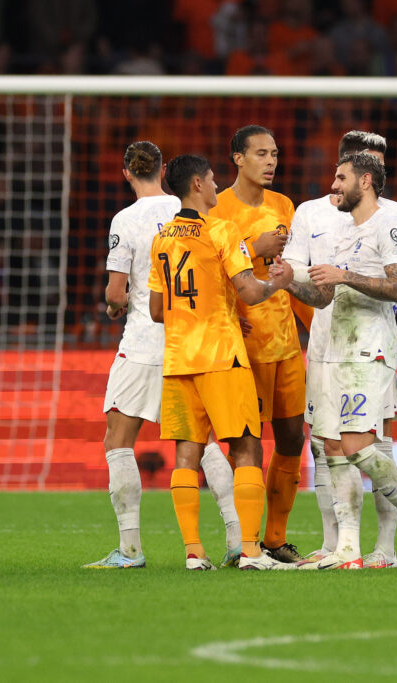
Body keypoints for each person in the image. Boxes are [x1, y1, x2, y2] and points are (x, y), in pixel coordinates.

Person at [84, 141, 241, 570]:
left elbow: (116, 293)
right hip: (192, 343)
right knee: (201, 443)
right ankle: (237, 538)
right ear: (165, 168)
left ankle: (130, 550)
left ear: (126, 173)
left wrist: (115, 305)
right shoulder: (189, 209)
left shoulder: (125, 220)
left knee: (118, 442)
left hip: (143, 343)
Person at [280, 151, 397, 570]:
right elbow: (324, 297)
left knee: (357, 445)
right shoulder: (345, 230)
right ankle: (348, 547)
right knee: (332, 445)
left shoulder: (389, 222)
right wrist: (289, 282)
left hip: (370, 347)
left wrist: (344, 275)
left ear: (364, 181)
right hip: (334, 348)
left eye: (341, 177)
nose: (334, 186)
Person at [147, 154, 295, 571]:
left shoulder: (162, 238)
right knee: (247, 446)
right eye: (212, 179)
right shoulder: (221, 229)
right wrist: (277, 284)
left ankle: (194, 553)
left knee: (186, 455)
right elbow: (249, 291)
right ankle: (251, 551)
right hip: (221, 355)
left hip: (179, 359)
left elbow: (157, 310)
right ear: (197, 184)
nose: (216, 186)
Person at [209, 124, 307, 565]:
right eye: (261, 153)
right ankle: (245, 541)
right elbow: (207, 272)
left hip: (285, 343)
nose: (271, 162)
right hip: (243, 348)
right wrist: (253, 246)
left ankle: (275, 539)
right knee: (246, 447)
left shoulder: (284, 205)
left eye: (275, 153)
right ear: (238, 158)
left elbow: (290, 274)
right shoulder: (217, 208)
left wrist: (313, 325)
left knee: (291, 440)